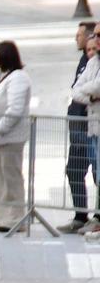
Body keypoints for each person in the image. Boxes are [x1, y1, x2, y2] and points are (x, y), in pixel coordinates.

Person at [0, 41, 32, 233]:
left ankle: (15, 218)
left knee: (11, 178)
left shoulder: (19, 78)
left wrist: (0, 129)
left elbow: (15, 109)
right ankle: (0, 216)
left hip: (10, 137)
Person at [60, 22, 99, 233]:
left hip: (93, 124)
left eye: (80, 35)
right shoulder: (86, 61)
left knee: (97, 172)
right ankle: (80, 215)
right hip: (78, 122)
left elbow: (91, 90)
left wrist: (88, 94)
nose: (77, 38)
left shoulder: (96, 62)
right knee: (74, 169)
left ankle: (97, 217)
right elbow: (76, 90)